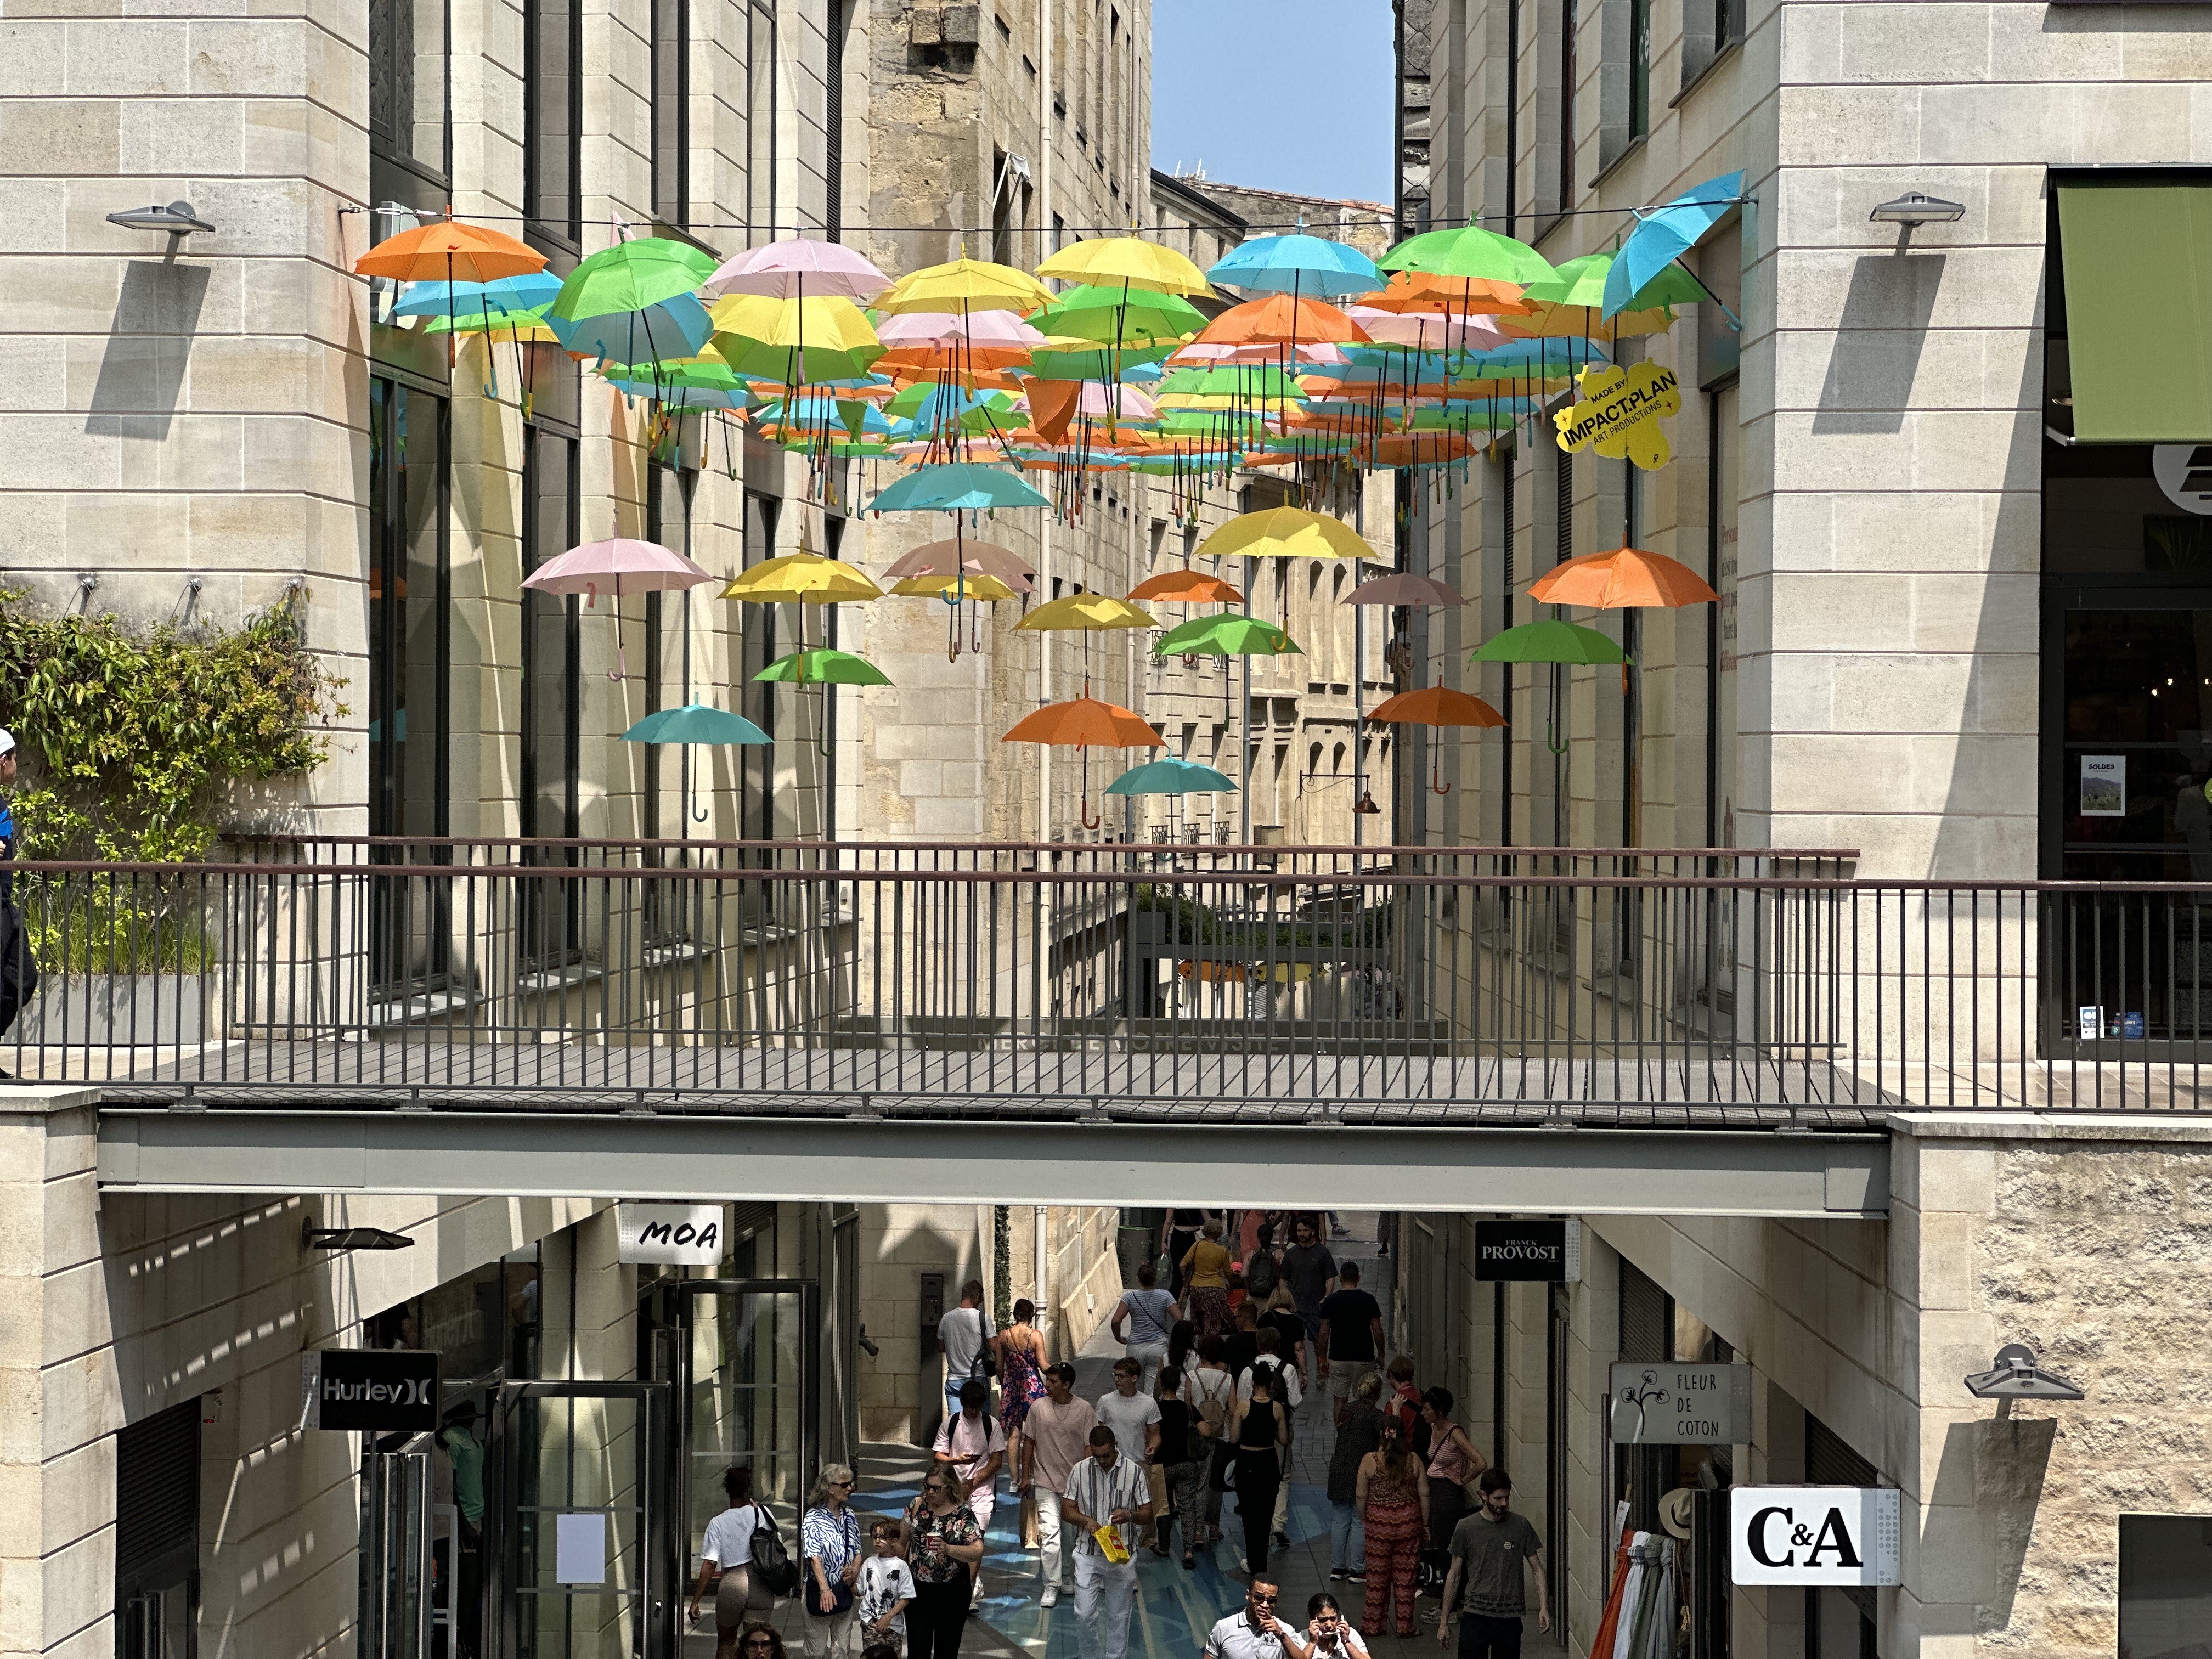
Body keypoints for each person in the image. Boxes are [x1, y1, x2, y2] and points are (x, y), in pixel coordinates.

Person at [1437, 1469, 1549, 1658]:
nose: (1504, 1503)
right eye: (1498, 1498)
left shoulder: (1520, 1526)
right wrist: (1444, 1622)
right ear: (1483, 1496)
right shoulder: (1466, 1528)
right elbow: (1454, 1574)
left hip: (1509, 1617)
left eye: (1507, 1497)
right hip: (1476, 1615)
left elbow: (1537, 1568)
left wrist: (1544, 1606)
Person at [1062, 1425, 1152, 1659]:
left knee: (1119, 1615)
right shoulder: (1079, 1471)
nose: (1101, 1460)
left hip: (1121, 1556)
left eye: (1106, 1455)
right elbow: (1066, 1510)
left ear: (1116, 1447)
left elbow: (1148, 1513)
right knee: (1083, 1614)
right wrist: (1086, 1521)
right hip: (1087, 1553)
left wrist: (1131, 1515)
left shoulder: (1134, 1472)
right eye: (1096, 1456)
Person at [1019, 1362, 1094, 1607]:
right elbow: (1028, 1442)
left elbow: (1088, 1447)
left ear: (1067, 1384)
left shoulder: (1084, 1409)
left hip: (1074, 1484)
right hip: (1044, 1481)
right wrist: (1025, 1476)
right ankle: (1051, 1584)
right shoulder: (1038, 1408)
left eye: (1052, 1382)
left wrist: (1085, 1479)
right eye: (1047, 1380)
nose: (1047, 1385)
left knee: (1071, 1535)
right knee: (1050, 1534)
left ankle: (1068, 1577)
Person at [932, 1379, 1005, 1607]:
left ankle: (968, 1590)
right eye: (970, 1408)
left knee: (976, 1541)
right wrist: (956, 1461)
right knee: (955, 1539)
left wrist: (974, 1480)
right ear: (963, 1405)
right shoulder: (951, 1424)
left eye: (977, 1408)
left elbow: (996, 1460)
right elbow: (939, 1455)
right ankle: (959, 1582)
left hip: (982, 1491)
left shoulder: (990, 1425)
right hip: (953, 1491)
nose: (973, 1412)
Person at [900, 1469, 985, 1659]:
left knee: (947, 1650)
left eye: (936, 1488)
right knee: (917, 1648)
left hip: (952, 1590)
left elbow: (977, 1550)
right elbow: (902, 1542)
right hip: (918, 1589)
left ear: (949, 1488)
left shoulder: (963, 1514)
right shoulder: (917, 1506)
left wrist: (949, 1549)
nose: (930, 1492)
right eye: (927, 1487)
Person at [1357, 1421, 1430, 1638]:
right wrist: (1425, 1524)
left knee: (1377, 1577)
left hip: (1378, 1524)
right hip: (1409, 1522)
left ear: (1382, 1435)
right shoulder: (1414, 1460)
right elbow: (1424, 1494)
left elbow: (1361, 1496)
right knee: (1406, 1577)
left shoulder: (1370, 1461)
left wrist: (1366, 1519)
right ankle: (1405, 1626)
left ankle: (1373, 1625)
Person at [690, 1465, 772, 1659]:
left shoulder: (718, 1522)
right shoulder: (762, 1514)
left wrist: (696, 1600)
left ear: (727, 1490)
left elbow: (710, 1564)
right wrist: (757, 1508)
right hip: (761, 1585)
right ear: (748, 1489)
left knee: (726, 1642)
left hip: (732, 1584)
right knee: (758, 1645)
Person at [995, 1299, 1049, 1548]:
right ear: (1031, 1315)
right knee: (1034, 1434)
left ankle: (1015, 1480)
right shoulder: (1035, 1336)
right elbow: (1044, 1365)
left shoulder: (1004, 1336)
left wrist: (1007, 1381)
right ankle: (1033, 1473)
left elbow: (998, 1368)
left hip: (1012, 1386)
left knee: (1014, 1434)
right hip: (1031, 1386)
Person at [1228, 1364, 1290, 1578]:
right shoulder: (1277, 1409)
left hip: (1247, 1462)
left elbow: (1234, 1439)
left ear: (1253, 1383)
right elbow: (1283, 1440)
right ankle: (1261, 1563)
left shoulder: (1243, 1407)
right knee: (1265, 1515)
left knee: (1248, 1514)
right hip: (1268, 1461)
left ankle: (1252, 1560)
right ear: (1271, 1384)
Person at [1326, 1373, 1386, 1586]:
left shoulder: (1346, 1410)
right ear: (1378, 1394)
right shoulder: (1374, 1415)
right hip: (1360, 1471)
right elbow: (1391, 1429)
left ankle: (1337, 1567)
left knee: (1339, 1519)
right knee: (1360, 1520)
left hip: (1339, 1468)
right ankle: (1358, 1569)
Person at [438, 1402, 486, 1659]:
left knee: (474, 1581)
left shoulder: (471, 1439)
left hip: (477, 1514)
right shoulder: (451, 1439)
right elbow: (450, 1482)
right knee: (465, 1579)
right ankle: (458, 1639)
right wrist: (463, 1521)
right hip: (463, 1518)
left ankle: (465, 1637)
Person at [802, 1463, 864, 1658]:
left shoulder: (850, 1516)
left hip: (844, 1590)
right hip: (820, 1591)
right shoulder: (813, 1518)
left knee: (842, 1649)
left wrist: (854, 1571)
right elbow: (814, 1557)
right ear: (829, 1488)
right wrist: (825, 1589)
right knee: (816, 1650)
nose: (850, 1489)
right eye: (844, 1485)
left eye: (851, 1484)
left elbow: (857, 1551)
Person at [1150, 1363, 1209, 1568]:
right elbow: (1205, 1431)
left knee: (1163, 1508)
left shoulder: (1154, 1408)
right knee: (1187, 1507)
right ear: (1179, 1385)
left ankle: (1163, 1546)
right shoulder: (1188, 1408)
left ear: (1161, 1384)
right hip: (1186, 1464)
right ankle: (1188, 1550)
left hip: (1161, 1466)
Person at [0, 731, 35, 1056]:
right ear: (3, 761)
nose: (15, 767)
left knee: (21, 977)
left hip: (4, 904)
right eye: (14, 759)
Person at [1317, 1261, 1386, 1421]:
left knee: (1339, 1400)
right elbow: (1377, 1330)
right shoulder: (1368, 1300)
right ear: (1359, 1278)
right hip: (1363, 1358)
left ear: (1341, 1278)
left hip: (1338, 1358)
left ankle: (1342, 1434)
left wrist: (1322, 1358)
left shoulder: (1331, 1301)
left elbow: (1323, 1333)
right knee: (1364, 1399)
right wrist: (1381, 1354)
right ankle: (1361, 1432)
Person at [1421, 1388, 1487, 1551]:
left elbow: (1481, 1462)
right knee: (1433, 1535)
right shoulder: (1434, 1426)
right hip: (1433, 1486)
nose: (1423, 1412)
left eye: (1427, 1409)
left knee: (1445, 1539)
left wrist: (1462, 1479)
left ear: (1439, 1411)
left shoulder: (1455, 1434)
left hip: (1447, 1492)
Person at [1188, 1335, 1237, 1546]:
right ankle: (1214, 1526)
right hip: (1220, 1437)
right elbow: (1233, 1410)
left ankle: (1197, 1530)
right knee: (1216, 1483)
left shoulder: (1192, 1376)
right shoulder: (1228, 1379)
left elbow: (1188, 1407)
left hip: (1197, 1437)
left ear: (1203, 1354)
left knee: (1199, 1482)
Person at [1203, 1577, 1316, 1659]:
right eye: (1259, 1598)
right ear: (1248, 1595)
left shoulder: (1285, 1630)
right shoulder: (1224, 1627)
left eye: (1271, 1600)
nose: (1265, 1605)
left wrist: (1281, 1635)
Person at [1109, 1262, 1180, 1391]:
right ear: (1155, 1279)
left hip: (1135, 1348)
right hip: (1158, 1347)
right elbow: (1179, 1318)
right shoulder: (1165, 1296)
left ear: (1138, 1279)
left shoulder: (1130, 1298)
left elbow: (1116, 1321)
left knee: (1134, 1388)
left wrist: (1118, 1338)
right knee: (1152, 1390)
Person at [856, 1519, 917, 1657]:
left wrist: (888, 1617)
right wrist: (849, 1581)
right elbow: (859, 1590)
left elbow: (906, 1598)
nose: (877, 1541)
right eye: (875, 1537)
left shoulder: (900, 1566)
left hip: (893, 1625)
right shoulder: (869, 1563)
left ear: (894, 1541)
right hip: (870, 1622)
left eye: (883, 1538)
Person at [1277, 1220, 1338, 1355]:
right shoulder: (1291, 1254)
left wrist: (1327, 1298)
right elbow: (1283, 1280)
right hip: (1295, 1308)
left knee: (1320, 1345)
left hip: (1316, 1308)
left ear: (1313, 1232)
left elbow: (1330, 1278)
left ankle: (1321, 1371)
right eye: (1299, 1231)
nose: (1302, 1234)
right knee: (1293, 1346)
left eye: (1305, 1231)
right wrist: (1284, 1299)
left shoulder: (1323, 1253)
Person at [936, 1280, 992, 1424]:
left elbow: (941, 1346)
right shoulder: (983, 1318)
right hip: (977, 1379)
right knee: (981, 1426)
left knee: (955, 1426)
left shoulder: (946, 1319)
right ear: (978, 1296)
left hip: (954, 1380)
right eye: (981, 1299)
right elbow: (995, 1345)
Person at [1095, 1357, 1161, 1467]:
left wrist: (1152, 1447)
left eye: (1121, 1376)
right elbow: (1097, 1432)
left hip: (1138, 1462)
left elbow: (1155, 1434)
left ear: (1134, 1378)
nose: (1116, 1380)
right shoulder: (1105, 1401)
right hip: (1111, 1464)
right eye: (1115, 1375)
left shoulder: (1149, 1403)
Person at [1180, 1218, 1234, 1340]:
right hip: (1216, 1288)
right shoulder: (1222, 1250)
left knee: (1198, 1322)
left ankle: (1199, 1346)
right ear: (1219, 1233)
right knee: (1214, 1324)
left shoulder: (1197, 1245)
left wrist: (1187, 1277)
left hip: (1197, 1287)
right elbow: (1228, 1272)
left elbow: (1182, 1264)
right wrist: (1231, 1285)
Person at [1261, 1288, 1310, 1389]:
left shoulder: (1264, 1318)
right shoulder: (1297, 1321)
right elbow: (1299, 1349)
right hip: (1289, 1366)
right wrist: (1304, 1373)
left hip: (1268, 1365)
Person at [1161, 1207, 1215, 1296]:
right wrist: (1163, 1241)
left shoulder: (1196, 1199)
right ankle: (1175, 1299)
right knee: (1177, 1271)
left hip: (1193, 1236)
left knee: (1195, 1268)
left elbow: (1207, 1218)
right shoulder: (1175, 1200)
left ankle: (1190, 1296)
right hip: (1180, 1236)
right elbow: (1168, 1221)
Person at [1305, 1591, 1372, 1659]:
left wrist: (1346, 1642)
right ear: (1312, 1619)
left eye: (1333, 1618)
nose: (1329, 1625)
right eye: (1322, 1620)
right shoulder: (1301, 1638)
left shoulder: (1350, 1634)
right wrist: (1312, 1643)